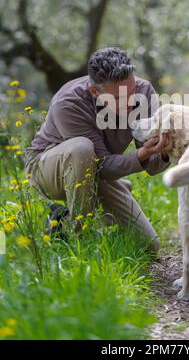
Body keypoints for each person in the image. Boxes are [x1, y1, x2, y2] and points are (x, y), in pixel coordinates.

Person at [24, 46, 170, 253]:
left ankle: (64, 218)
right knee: (82, 148)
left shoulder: (144, 91)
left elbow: (153, 166)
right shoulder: (68, 103)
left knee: (148, 246)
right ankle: (82, 241)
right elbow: (102, 165)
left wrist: (164, 149)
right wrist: (142, 154)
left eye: (132, 92)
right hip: (47, 168)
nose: (131, 102)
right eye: (119, 98)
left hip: (97, 169)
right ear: (94, 91)